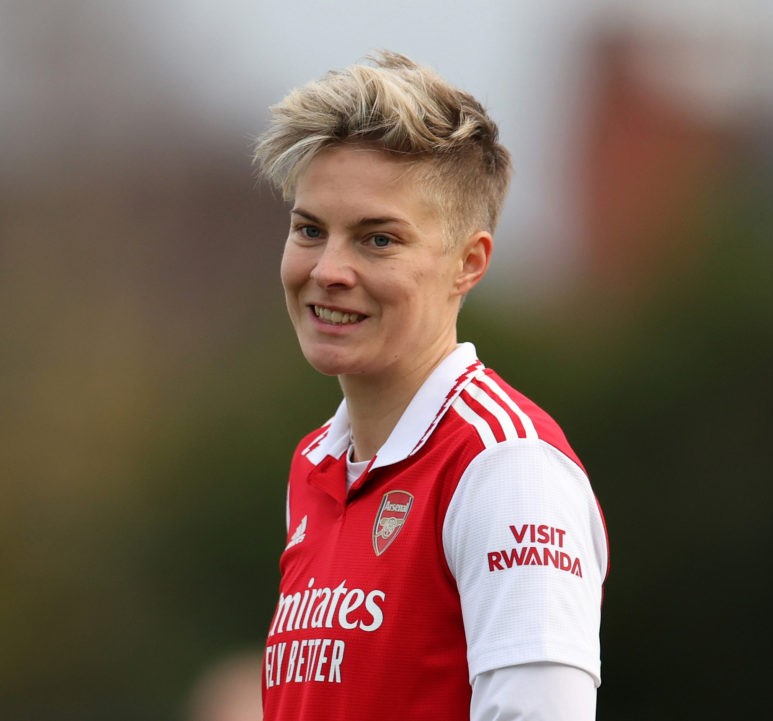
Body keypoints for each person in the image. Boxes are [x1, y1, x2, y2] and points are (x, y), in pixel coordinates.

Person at [253, 51, 608, 721]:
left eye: (377, 240)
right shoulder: (315, 466)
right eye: (309, 230)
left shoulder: (506, 466)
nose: (328, 269)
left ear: (468, 263)